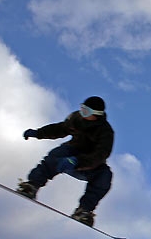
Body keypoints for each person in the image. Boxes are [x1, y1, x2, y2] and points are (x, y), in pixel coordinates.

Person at [17, 96, 114, 227]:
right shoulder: (76, 118)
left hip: (89, 164)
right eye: (82, 109)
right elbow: (59, 129)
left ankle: (84, 211)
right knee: (56, 155)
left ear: (96, 115)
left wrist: (78, 161)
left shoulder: (106, 132)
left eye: (86, 112)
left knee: (105, 176)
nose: (83, 114)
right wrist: (38, 133)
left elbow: (100, 155)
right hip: (71, 151)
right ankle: (32, 185)